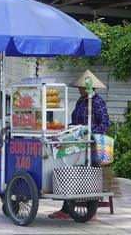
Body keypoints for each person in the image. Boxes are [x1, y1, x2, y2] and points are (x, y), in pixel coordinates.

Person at [48, 69, 110, 221]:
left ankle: (91, 211)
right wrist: (65, 128)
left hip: (92, 144)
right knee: (71, 172)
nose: (80, 90)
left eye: (82, 87)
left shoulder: (98, 102)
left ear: (89, 87)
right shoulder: (81, 101)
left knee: (90, 175)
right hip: (77, 143)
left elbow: (105, 123)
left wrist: (91, 133)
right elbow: (76, 121)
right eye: (79, 88)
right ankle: (66, 209)